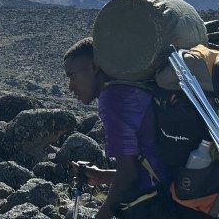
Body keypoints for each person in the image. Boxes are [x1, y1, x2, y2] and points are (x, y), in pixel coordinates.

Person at [64, 37, 204, 219]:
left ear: (95, 65)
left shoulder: (113, 99)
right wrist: (101, 176)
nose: (70, 87)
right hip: (181, 196)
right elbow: (145, 168)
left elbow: (128, 179)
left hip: (161, 205)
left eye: (72, 75)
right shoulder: (133, 89)